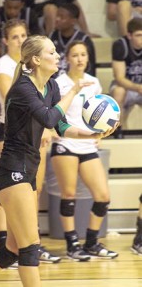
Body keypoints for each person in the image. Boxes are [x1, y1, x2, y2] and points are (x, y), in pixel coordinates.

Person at [0, 35, 117, 287]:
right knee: (30, 248)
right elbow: (48, 118)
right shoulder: (23, 88)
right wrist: (74, 91)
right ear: (36, 59)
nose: (58, 56)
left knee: (12, 251)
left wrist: (92, 133)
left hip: (27, 169)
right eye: (52, 52)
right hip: (12, 170)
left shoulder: (51, 87)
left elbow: (60, 125)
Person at [0, 19, 60, 264]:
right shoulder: (6, 67)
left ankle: (15, 245)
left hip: (33, 136)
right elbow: (10, 97)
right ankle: (13, 241)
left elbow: (55, 120)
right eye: (15, 36)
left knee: (33, 190)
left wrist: (93, 134)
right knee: (8, 195)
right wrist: (43, 120)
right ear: (6, 41)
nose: (20, 39)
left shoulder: (48, 82)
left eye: (23, 35)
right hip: (11, 132)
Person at [50, 40, 118, 261]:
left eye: (83, 55)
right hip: (65, 143)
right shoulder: (59, 83)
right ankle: (72, 244)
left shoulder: (94, 83)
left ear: (88, 58)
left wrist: (101, 132)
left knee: (103, 197)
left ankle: (91, 242)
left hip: (88, 144)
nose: (80, 59)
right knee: (68, 194)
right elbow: (54, 116)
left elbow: (99, 114)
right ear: (67, 58)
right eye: (75, 55)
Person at [0, 0, 40, 87]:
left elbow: (36, 42)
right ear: (3, 4)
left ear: (22, 5)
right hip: (1, 53)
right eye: (9, 7)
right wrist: (12, 54)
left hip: (26, 55)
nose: (12, 11)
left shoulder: (30, 14)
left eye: (16, 8)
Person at [16, 0, 99, 36]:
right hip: (39, 23)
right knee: (50, 9)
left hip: (64, 20)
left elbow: (75, 5)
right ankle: (52, 41)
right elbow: (21, 11)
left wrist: (86, 31)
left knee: (63, 13)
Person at [109, 17, 142, 138]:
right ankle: (118, 131)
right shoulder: (120, 45)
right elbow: (119, 78)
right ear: (129, 35)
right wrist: (137, 87)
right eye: (138, 35)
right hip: (127, 87)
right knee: (118, 91)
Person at [49, 3, 96, 76]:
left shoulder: (84, 40)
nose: (57, 19)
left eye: (61, 17)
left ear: (73, 21)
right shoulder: (52, 36)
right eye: (57, 16)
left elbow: (90, 69)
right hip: (54, 83)